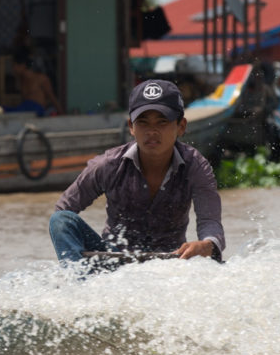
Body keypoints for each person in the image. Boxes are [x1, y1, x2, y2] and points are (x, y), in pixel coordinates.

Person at [48, 78, 224, 264]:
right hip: (113, 260)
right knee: (60, 220)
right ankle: (78, 284)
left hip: (169, 263)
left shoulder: (195, 166)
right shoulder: (108, 165)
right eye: (143, 123)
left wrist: (206, 244)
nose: (152, 131)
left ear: (181, 126)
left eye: (162, 122)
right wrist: (74, 257)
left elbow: (210, 223)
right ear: (131, 126)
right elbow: (63, 212)